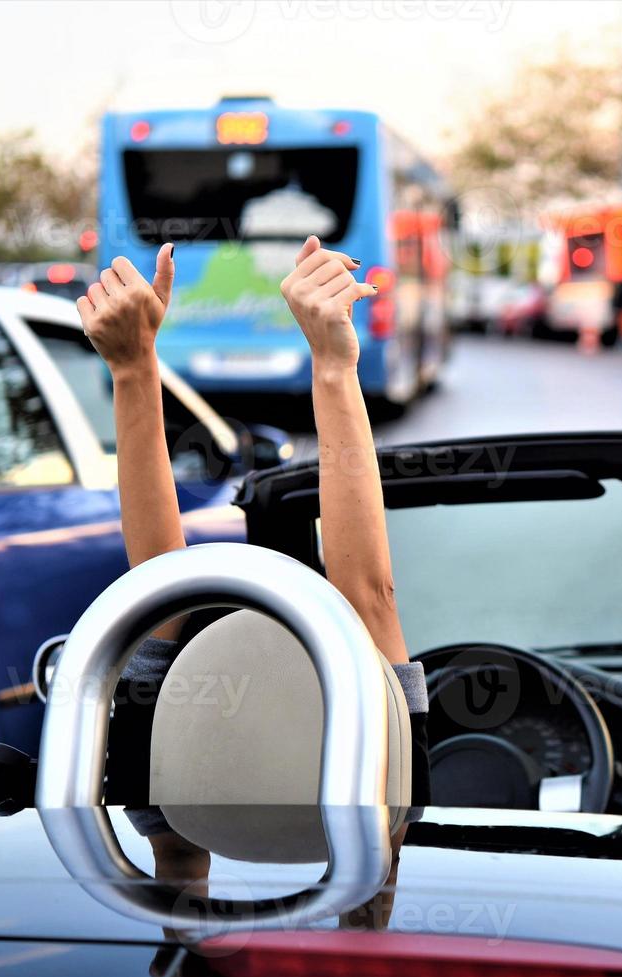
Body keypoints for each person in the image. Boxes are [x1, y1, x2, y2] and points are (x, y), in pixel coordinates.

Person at [76, 238, 429, 808]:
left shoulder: (165, 837)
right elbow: (368, 600)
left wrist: (133, 366)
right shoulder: (380, 761)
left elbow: (157, 589)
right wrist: (334, 366)